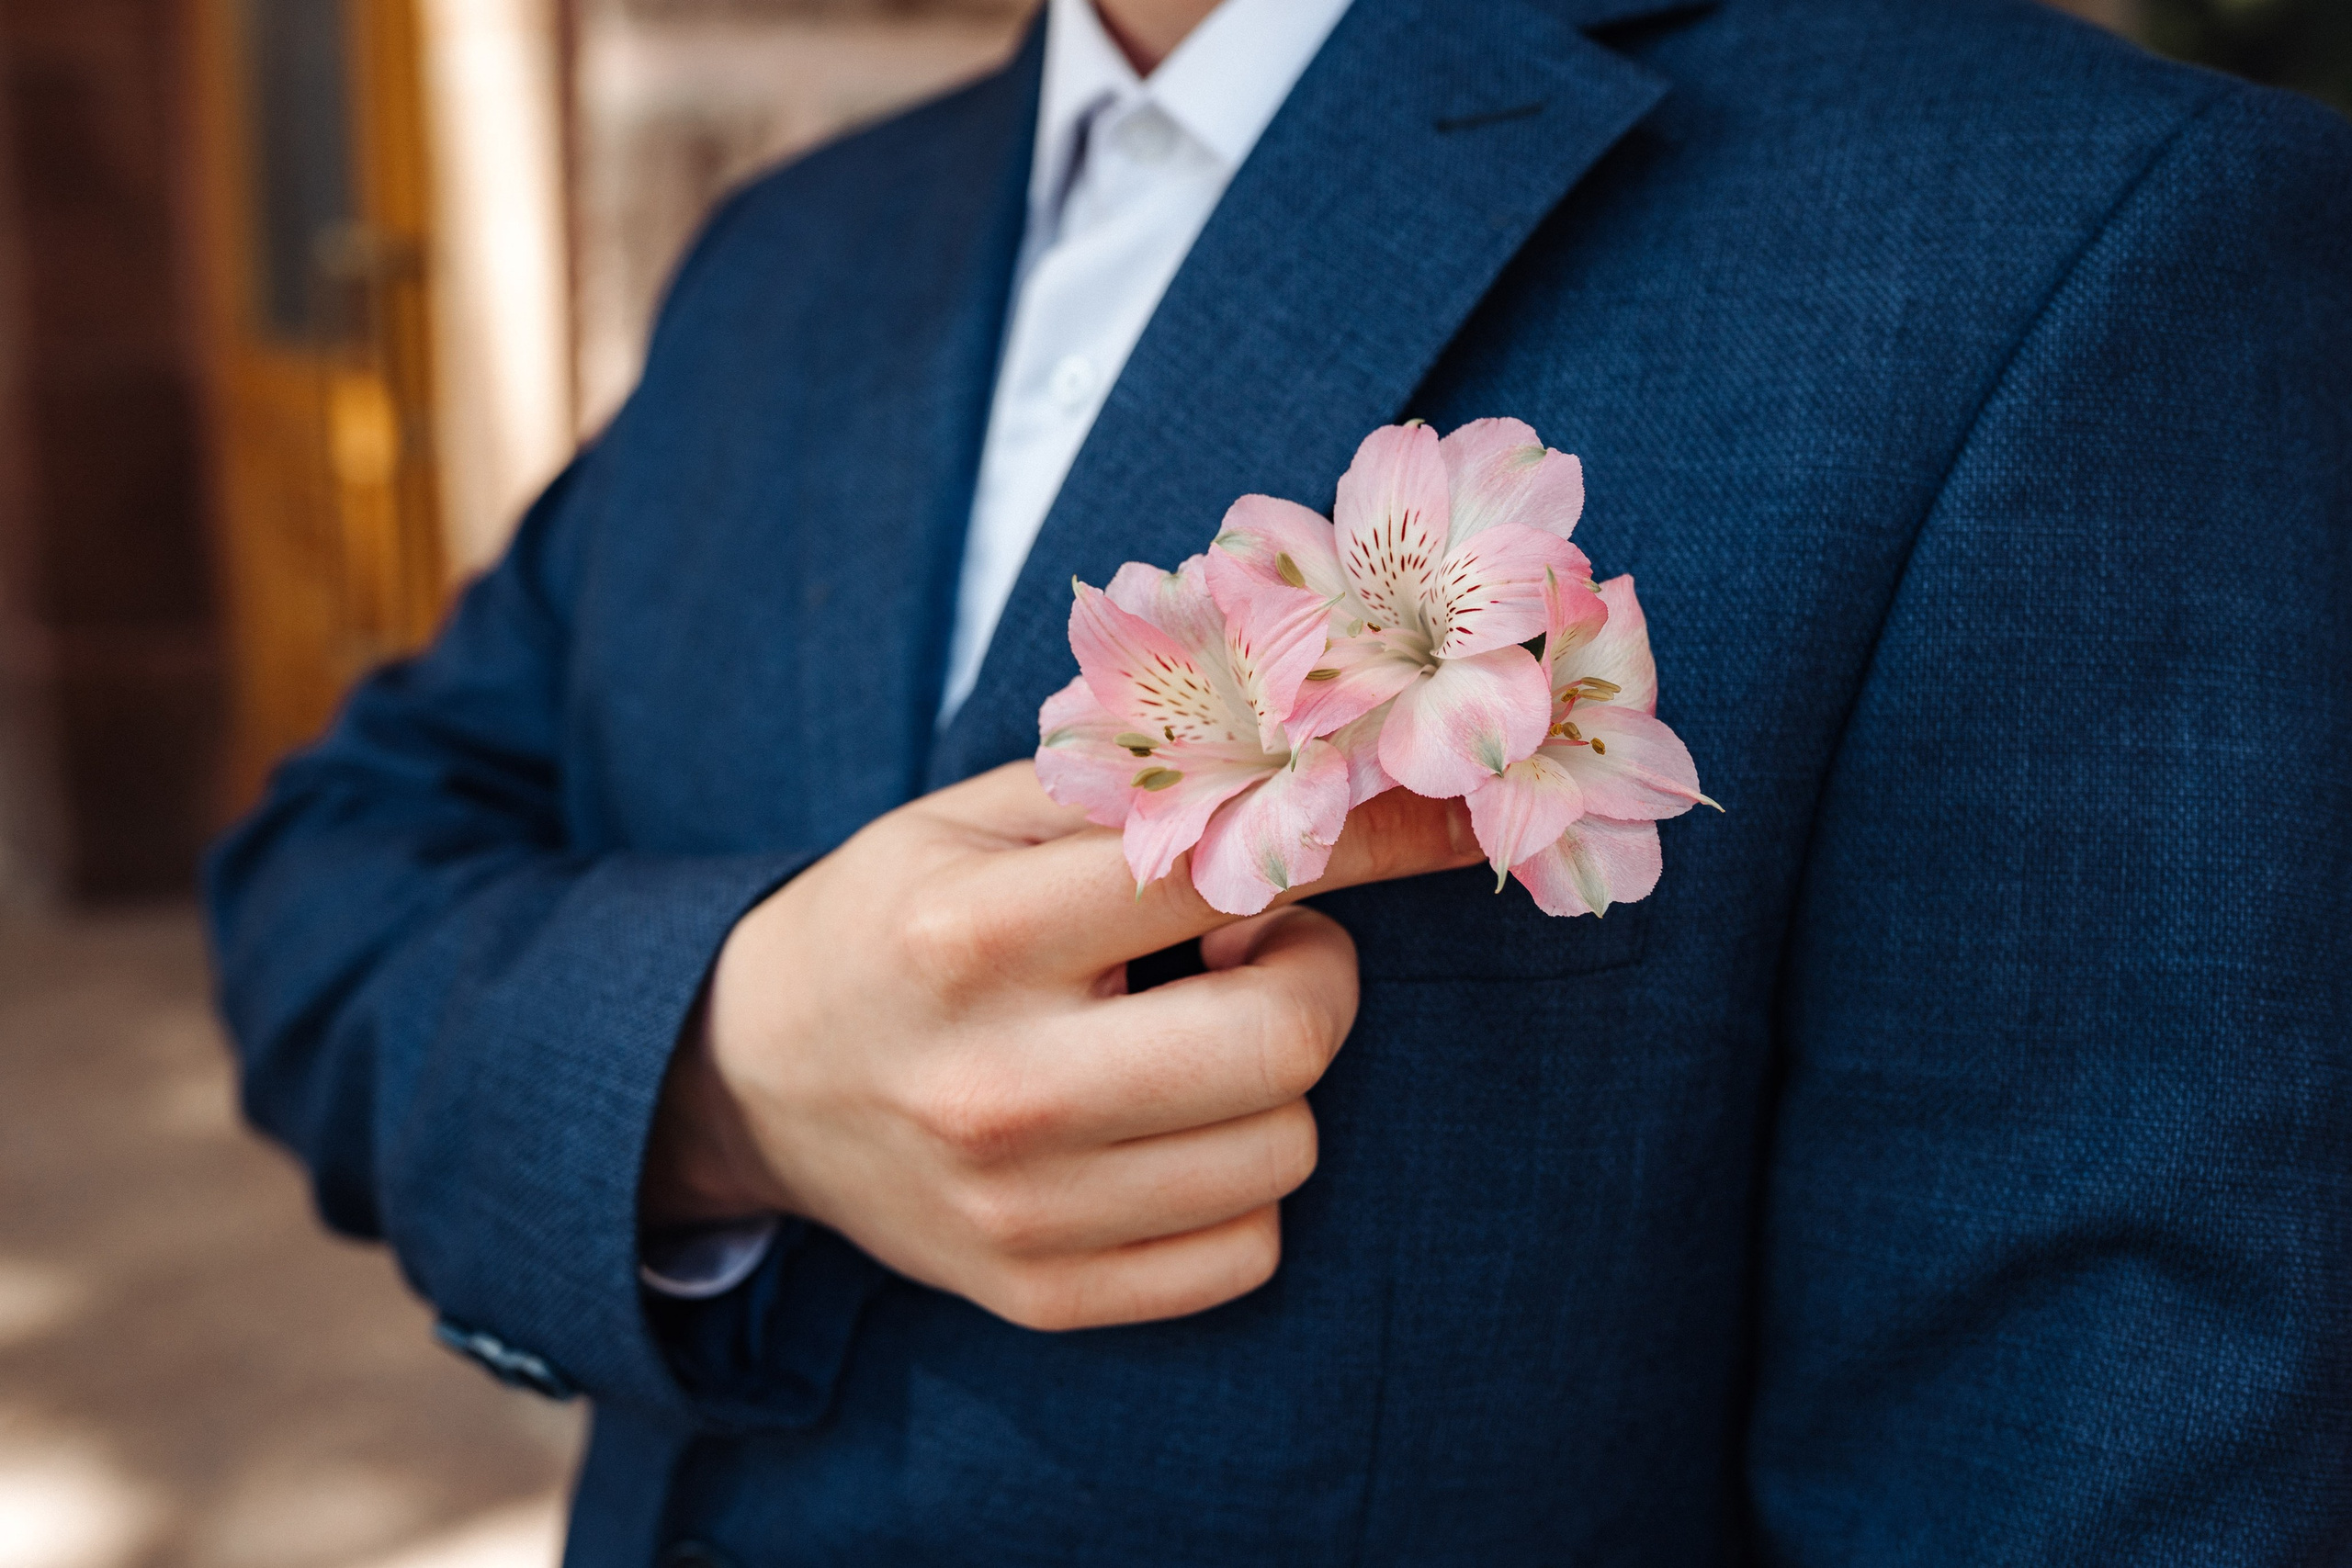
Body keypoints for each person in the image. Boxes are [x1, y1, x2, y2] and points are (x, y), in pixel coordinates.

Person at [205, 0, 2352, 1560]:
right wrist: (712, 1068)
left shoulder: (2078, 239)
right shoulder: (785, 257)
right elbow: (320, 885)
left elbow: (2078, 1467)